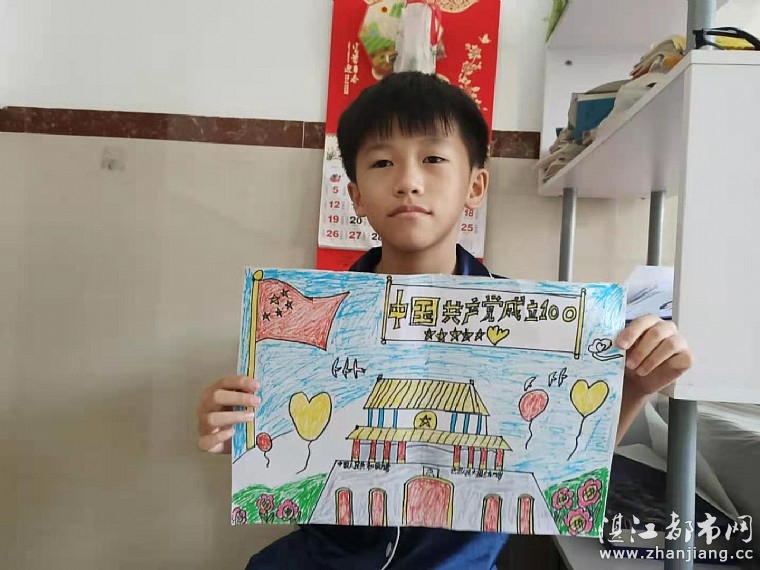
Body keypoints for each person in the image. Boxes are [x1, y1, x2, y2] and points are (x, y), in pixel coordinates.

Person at [196, 72, 693, 569]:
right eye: (382, 162)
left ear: (475, 185)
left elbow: (562, 460)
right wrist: (240, 432)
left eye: (433, 159)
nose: (408, 181)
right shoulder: (310, 322)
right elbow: (284, 452)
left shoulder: (535, 327)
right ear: (356, 196)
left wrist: (634, 386)